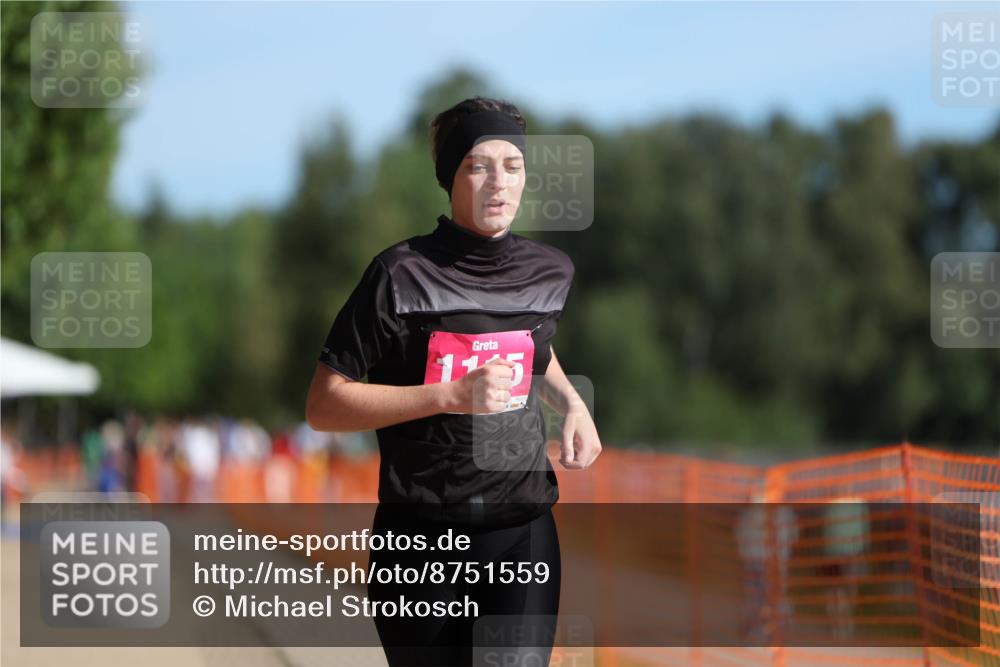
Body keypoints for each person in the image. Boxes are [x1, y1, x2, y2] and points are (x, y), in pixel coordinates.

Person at [305, 96, 601, 667]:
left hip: (522, 529)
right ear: (450, 177)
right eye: (479, 165)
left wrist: (572, 405)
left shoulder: (549, 271)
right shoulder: (400, 274)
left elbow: (534, 346)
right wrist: (450, 395)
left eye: (513, 166)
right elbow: (324, 403)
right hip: (419, 538)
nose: (499, 182)